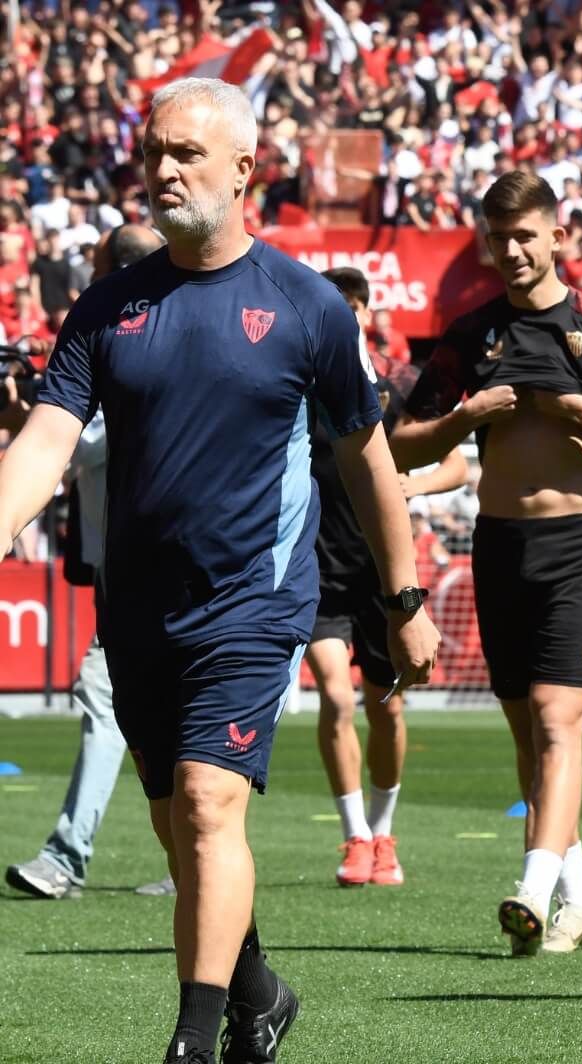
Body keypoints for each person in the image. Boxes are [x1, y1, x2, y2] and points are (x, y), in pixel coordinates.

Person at [0, 78, 440, 1064]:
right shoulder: (107, 307)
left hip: (254, 602)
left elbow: (368, 460)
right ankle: (260, 990)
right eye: (154, 151)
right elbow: (42, 444)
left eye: (185, 154)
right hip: (141, 605)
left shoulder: (307, 306)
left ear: (244, 170)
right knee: (175, 823)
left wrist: (401, 595)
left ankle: (196, 1040)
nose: (162, 170)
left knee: (207, 802)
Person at [389, 170, 582, 957]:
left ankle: (531, 886)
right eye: (500, 236)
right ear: (487, 243)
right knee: (528, 735)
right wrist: (465, 417)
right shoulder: (470, 335)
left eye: (527, 235)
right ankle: (577, 902)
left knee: (558, 722)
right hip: (499, 546)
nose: (514, 249)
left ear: (558, 236)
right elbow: (399, 441)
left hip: (577, 546)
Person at [5, 223, 176, 902]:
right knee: (133, 710)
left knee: (112, 704)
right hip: (137, 567)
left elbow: (75, 443)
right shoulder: (124, 341)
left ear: (116, 273)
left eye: (97, 267)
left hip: (155, 568)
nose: (83, 281)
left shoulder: (127, 349)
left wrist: (38, 410)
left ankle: (68, 855)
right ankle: (189, 854)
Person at [309, 267, 469, 888]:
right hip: (318, 565)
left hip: (385, 571)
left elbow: (456, 465)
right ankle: (352, 837)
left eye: (351, 306)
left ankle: (383, 833)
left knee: (388, 709)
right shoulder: (301, 383)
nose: (342, 315)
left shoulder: (397, 385)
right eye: (332, 305)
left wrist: (415, 482)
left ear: (366, 313)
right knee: (331, 693)